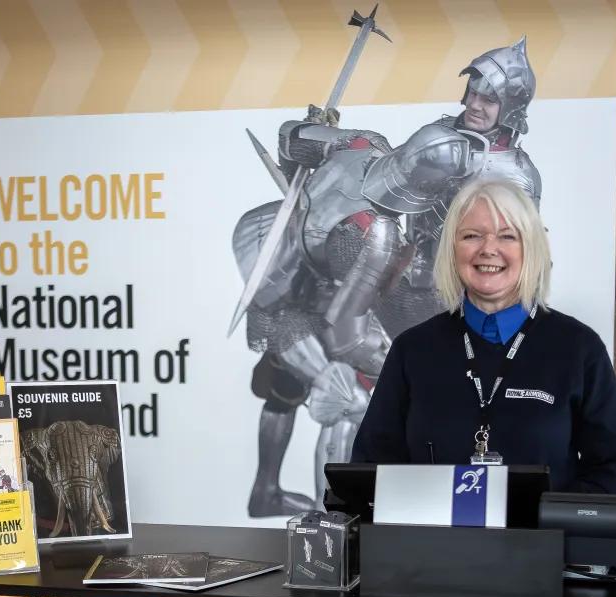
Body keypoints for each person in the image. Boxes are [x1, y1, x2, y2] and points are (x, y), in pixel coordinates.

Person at [232, 36, 543, 515]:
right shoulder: (440, 135)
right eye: (474, 92)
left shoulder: (513, 174)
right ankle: (328, 520)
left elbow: (515, 258)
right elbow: (357, 169)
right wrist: (318, 139)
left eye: (490, 97)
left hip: (441, 302)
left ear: (512, 107)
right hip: (394, 281)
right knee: (327, 385)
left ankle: (363, 518)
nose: (476, 104)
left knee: (369, 399)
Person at [350, 180, 616, 495]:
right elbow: (371, 463)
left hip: (538, 543)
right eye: (472, 236)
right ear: (452, 249)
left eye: (507, 236)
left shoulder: (577, 348)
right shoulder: (412, 350)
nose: (488, 249)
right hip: (435, 543)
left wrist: (555, 520)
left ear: (531, 248)